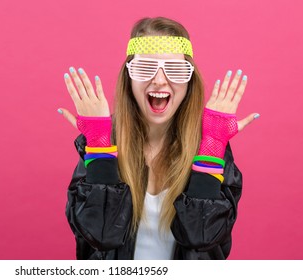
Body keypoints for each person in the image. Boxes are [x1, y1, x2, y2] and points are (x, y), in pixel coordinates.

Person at [58, 17, 258, 260]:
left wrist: (212, 147)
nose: (160, 80)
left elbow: (202, 238)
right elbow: (100, 235)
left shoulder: (209, 147)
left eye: (175, 69)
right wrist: (100, 150)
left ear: (189, 81)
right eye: (145, 68)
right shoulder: (102, 142)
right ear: (129, 79)